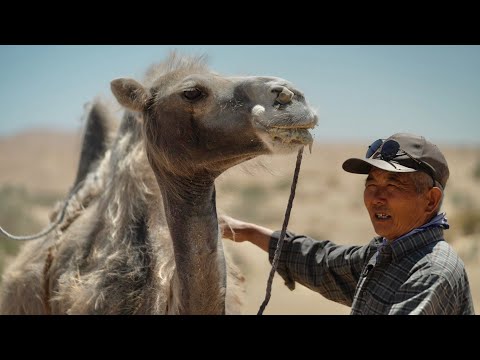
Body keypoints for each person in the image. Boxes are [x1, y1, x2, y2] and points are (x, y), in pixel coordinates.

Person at [220, 132, 475, 315]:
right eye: (371, 185)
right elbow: (322, 263)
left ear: (431, 201)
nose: (376, 198)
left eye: (393, 185)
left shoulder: (432, 272)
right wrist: (248, 232)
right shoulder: (386, 253)